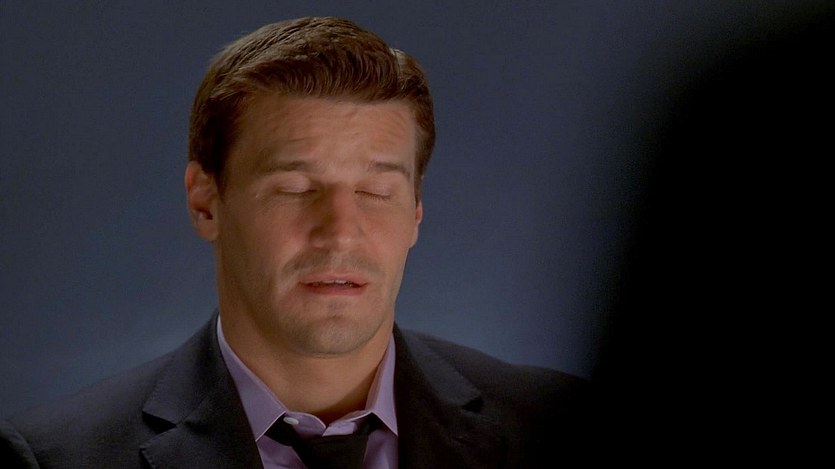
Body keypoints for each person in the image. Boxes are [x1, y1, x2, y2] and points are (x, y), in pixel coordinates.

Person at [0, 17, 588, 468]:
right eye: (294, 188)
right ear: (205, 202)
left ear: (415, 210)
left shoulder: (560, 429)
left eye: (376, 191)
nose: (340, 231)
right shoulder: (54, 459)